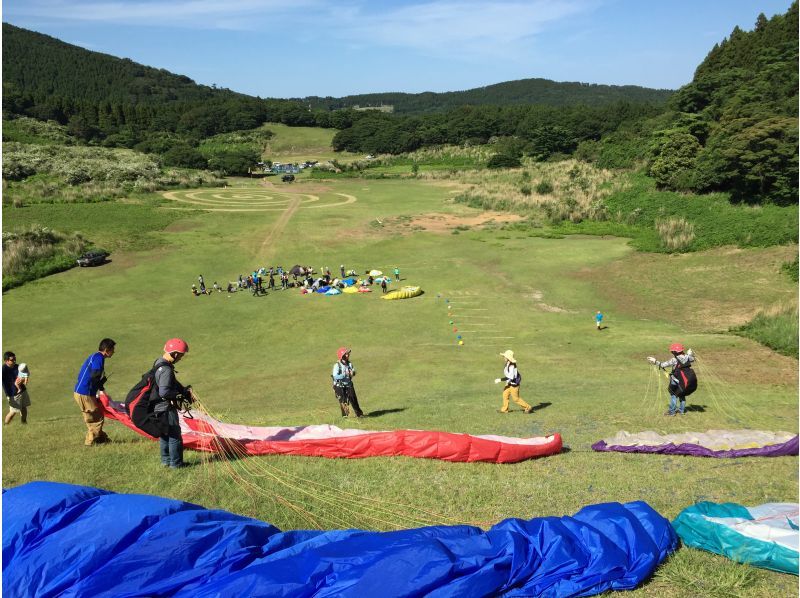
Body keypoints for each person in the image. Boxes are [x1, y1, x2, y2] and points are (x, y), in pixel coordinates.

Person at [151, 338, 194, 468]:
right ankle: (176, 464)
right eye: (181, 355)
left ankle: (166, 461)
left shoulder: (159, 362)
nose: (181, 358)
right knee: (174, 434)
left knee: (164, 433)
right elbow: (164, 392)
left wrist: (183, 390)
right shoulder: (166, 370)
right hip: (165, 407)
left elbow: (171, 383)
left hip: (156, 406)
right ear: (175, 354)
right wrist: (179, 396)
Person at [73, 338, 115, 445]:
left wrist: (99, 386)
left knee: (91, 417)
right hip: (85, 392)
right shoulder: (98, 358)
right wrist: (99, 387)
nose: (114, 351)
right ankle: (90, 441)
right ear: (106, 350)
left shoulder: (94, 356)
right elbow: (95, 374)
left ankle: (101, 439)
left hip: (81, 391)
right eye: (112, 349)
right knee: (97, 417)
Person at [648, 343, 696, 416]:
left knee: (673, 395)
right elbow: (693, 359)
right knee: (682, 394)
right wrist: (690, 354)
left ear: (674, 352)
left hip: (675, 380)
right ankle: (681, 411)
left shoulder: (674, 360)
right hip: (685, 381)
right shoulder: (688, 357)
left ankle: (672, 412)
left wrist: (655, 361)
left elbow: (662, 365)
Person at [332, 347, 364, 418]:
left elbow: (354, 372)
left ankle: (359, 414)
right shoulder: (337, 365)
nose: (348, 355)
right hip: (339, 386)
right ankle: (345, 416)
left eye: (347, 354)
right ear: (342, 356)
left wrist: (352, 373)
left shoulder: (349, 364)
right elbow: (335, 376)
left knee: (353, 399)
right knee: (343, 401)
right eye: (346, 354)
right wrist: (344, 375)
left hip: (349, 384)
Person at [3, 352, 23, 425]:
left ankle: (24, 423)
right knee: (13, 412)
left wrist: (22, 379)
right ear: (6, 361)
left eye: (15, 359)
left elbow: (23, 377)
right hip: (12, 394)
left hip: (20, 391)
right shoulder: (3, 370)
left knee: (23, 408)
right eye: (12, 360)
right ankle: (5, 425)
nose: (14, 361)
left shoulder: (17, 367)